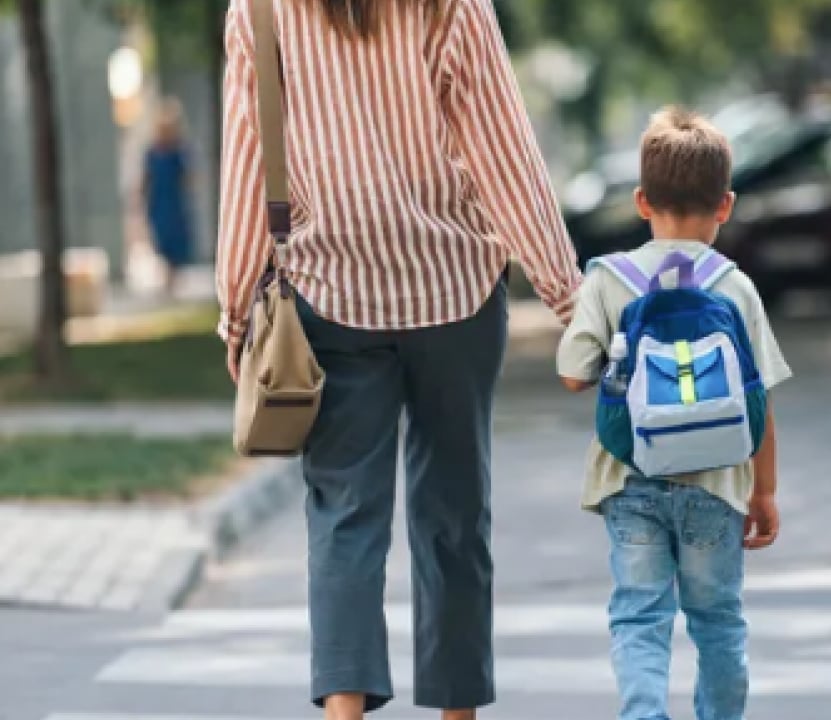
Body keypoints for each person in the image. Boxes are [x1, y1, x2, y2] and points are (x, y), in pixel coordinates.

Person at [215, 0, 581, 718]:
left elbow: (248, 157)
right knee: (455, 509)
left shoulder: (259, 9)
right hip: (455, 287)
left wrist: (235, 308)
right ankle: (457, 714)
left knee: (344, 512)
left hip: (330, 290)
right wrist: (565, 292)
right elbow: (500, 144)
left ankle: (344, 714)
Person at [557, 107, 791, 720]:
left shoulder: (609, 280)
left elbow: (572, 376)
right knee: (718, 620)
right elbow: (759, 401)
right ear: (726, 205)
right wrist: (763, 493)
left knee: (639, 614)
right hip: (716, 485)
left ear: (640, 201)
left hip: (629, 480)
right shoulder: (735, 287)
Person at [143, 99, 195, 297]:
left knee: (176, 239)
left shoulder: (179, 151)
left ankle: (172, 278)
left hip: (175, 202)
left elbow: (189, 176)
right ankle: (168, 276)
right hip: (159, 201)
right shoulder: (152, 152)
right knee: (162, 238)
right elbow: (146, 178)